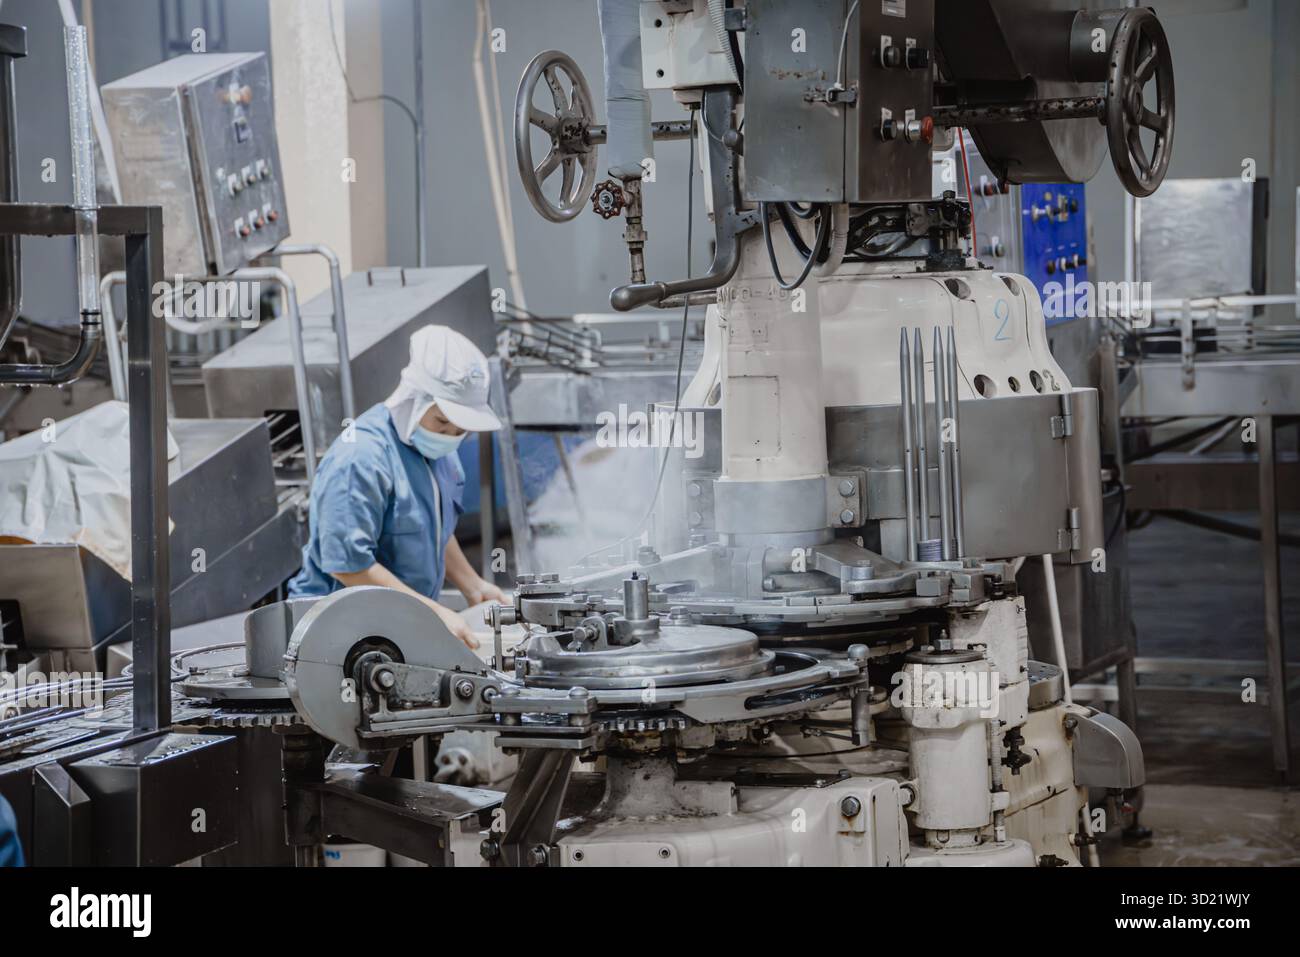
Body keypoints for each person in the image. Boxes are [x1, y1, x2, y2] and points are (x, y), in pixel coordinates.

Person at [288, 325, 506, 648]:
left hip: (398, 633)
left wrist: (472, 585)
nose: (450, 436)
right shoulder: (360, 458)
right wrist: (430, 612)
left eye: (460, 428)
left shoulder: (441, 453)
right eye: (442, 422)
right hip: (333, 639)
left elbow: (434, 526)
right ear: (413, 400)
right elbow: (348, 566)